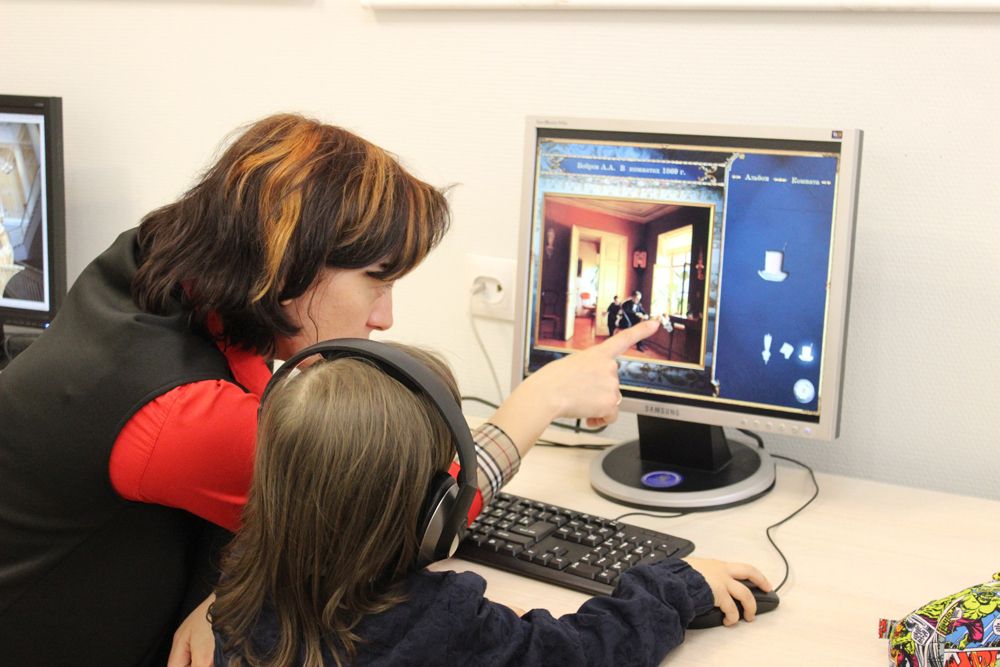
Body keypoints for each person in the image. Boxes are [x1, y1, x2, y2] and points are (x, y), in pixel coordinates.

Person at [0, 113, 660, 666]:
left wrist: (223, 590)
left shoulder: (165, 262)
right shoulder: (175, 412)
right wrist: (543, 399)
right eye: (377, 279)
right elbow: (412, 517)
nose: (385, 317)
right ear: (285, 260)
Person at [211, 343, 773, 667]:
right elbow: (584, 654)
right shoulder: (436, 624)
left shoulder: (239, 593)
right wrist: (679, 585)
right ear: (434, 515)